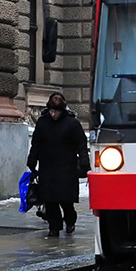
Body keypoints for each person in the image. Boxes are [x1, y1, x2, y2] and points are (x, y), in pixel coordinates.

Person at [26, 92, 90, 237]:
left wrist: (84, 161)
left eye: (56, 111)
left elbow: (81, 144)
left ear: (62, 110)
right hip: (47, 166)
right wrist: (32, 159)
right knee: (49, 200)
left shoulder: (72, 123)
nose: (53, 114)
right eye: (51, 111)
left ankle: (70, 221)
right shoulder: (43, 123)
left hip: (67, 167)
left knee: (66, 200)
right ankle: (54, 227)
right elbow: (36, 143)